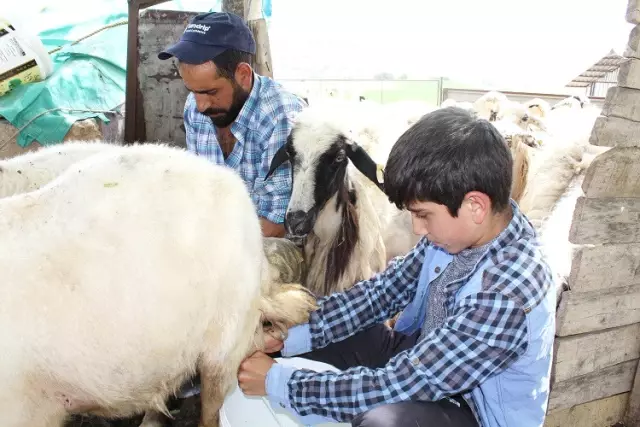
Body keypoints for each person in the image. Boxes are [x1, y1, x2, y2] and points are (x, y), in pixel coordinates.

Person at [236, 107, 556, 427]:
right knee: (346, 332)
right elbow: (381, 294)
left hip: (472, 411)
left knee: (385, 422)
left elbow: (406, 383)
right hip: (428, 358)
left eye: (424, 214)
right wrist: (287, 334)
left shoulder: (508, 292)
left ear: (475, 206)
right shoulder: (455, 236)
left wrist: (281, 384)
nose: (417, 229)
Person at [158, 12, 307, 237]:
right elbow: (200, 192)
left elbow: (277, 223)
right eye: (193, 91)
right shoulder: (195, 107)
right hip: (219, 237)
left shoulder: (280, 116)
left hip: (267, 247)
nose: (200, 106)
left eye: (211, 92)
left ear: (243, 75)